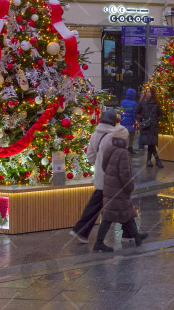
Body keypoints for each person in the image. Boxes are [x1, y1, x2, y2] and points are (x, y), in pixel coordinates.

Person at [70, 109, 128, 244]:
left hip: (100, 175)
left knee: (101, 204)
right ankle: (126, 234)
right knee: (120, 202)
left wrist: (98, 162)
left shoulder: (95, 134)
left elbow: (90, 156)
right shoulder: (113, 136)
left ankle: (129, 233)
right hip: (112, 177)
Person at [93, 115, 148, 252]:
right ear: (124, 138)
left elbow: (105, 166)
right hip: (118, 188)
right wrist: (129, 186)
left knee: (127, 213)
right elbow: (125, 174)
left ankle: (136, 236)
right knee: (109, 217)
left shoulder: (110, 149)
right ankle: (98, 243)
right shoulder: (122, 152)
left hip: (110, 186)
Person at [135, 87, 163, 168]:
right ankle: (157, 160)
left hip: (153, 125)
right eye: (146, 92)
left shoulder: (156, 103)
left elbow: (160, 114)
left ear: (152, 93)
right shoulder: (142, 102)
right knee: (151, 143)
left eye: (149, 92)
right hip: (146, 125)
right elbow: (136, 112)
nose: (147, 93)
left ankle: (149, 161)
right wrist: (141, 119)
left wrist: (156, 120)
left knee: (151, 143)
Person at [120, 88, 138, 154]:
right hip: (131, 122)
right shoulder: (134, 104)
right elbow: (134, 114)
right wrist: (135, 122)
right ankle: (130, 147)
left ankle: (123, 147)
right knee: (132, 136)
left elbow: (121, 112)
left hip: (124, 122)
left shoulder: (123, 102)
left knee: (124, 136)